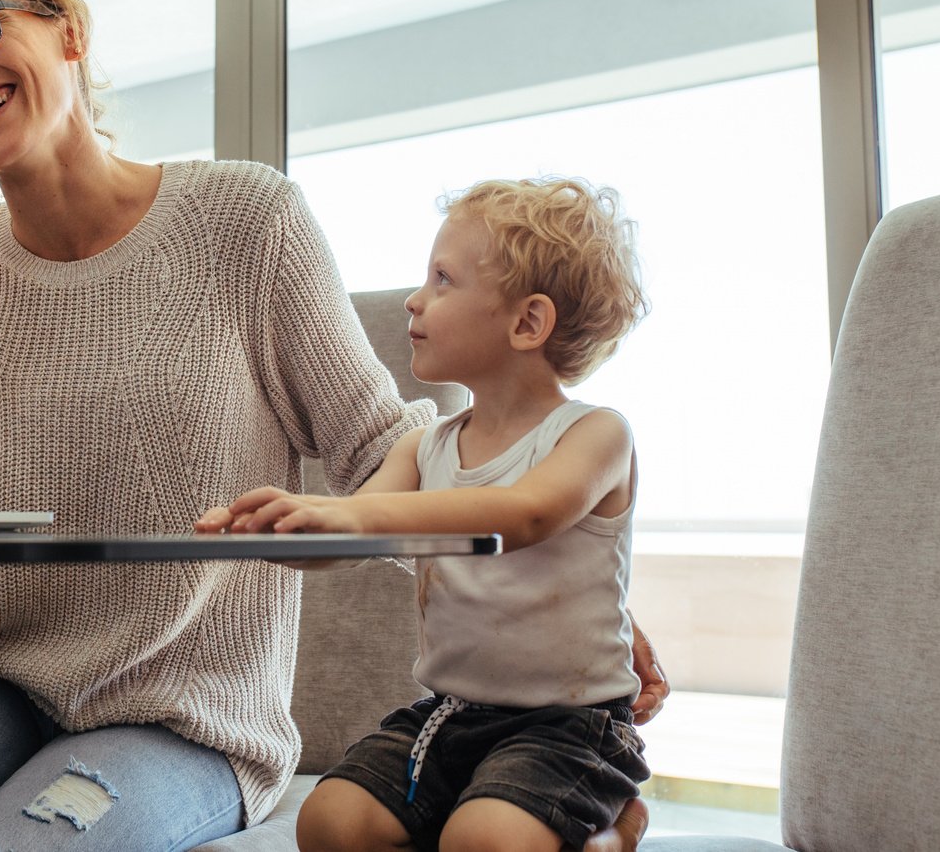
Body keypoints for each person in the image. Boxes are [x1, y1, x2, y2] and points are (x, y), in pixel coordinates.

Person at [0, 0, 666, 852]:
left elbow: (382, 460)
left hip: (184, 719)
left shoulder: (246, 222)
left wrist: (572, 593)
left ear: (67, 32)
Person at [199, 176, 653, 852]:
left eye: (443, 280)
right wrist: (276, 532)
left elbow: (521, 516)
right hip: (453, 713)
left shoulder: (595, 436)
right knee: (329, 823)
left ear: (528, 323)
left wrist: (348, 516)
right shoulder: (425, 445)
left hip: (571, 725)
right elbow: (352, 534)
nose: (415, 299)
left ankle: (614, 829)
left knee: (486, 840)